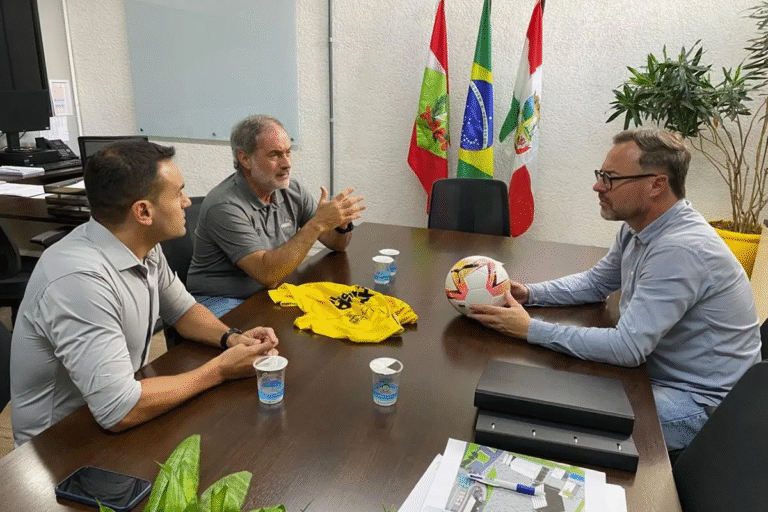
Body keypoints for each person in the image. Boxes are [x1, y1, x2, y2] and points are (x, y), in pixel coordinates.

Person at [470, 128, 761, 450]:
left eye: (610, 178)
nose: (597, 186)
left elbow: (626, 348)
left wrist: (530, 330)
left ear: (656, 184)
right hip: (655, 374)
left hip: (699, 406)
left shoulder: (681, 249)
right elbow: (596, 283)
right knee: (534, 398)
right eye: (600, 175)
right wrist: (529, 293)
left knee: (544, 417)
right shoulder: (640, 227)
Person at [10, 140, 279, 446]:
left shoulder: (141, 246)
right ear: (143, 212)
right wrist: (220, 369)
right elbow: (119, 409)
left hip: (111, 413)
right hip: (62, 445)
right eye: (178, 193)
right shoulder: (79, 281)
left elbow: (183, 311)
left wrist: (232, 338)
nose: (187, 202)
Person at [186, 115, 366, 317]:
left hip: (270, 290)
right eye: (275, 155)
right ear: (245, 159)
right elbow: (268, 274)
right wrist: (317, 224)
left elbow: (337, 244)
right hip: (222, 299)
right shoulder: (224, 206)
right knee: (262, 345)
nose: (287, 163)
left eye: (288, 153)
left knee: (339, 315)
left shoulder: (291, 190)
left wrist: (341, 224)